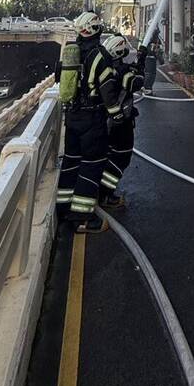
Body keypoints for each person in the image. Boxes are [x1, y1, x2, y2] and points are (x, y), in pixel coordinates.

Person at [56, 12, 124, 234]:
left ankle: (63, 208)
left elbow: (61, 79)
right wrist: (116, 115)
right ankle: (82, 217)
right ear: (95, 30)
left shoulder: (70, 52)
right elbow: (107, 90)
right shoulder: (99, 55)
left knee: (71, 161)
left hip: (72, 116)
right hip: (91, 119)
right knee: (92, 165)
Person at [98, 34, 146, 207]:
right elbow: (139, 81)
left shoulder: (107, 69)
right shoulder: (123, 73)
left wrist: (138, 61)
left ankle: (100, 190)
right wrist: (142, 61)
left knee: (108, 156)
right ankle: (106, 194)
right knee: (121, 158)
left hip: (107, 122)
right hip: (121, 124)